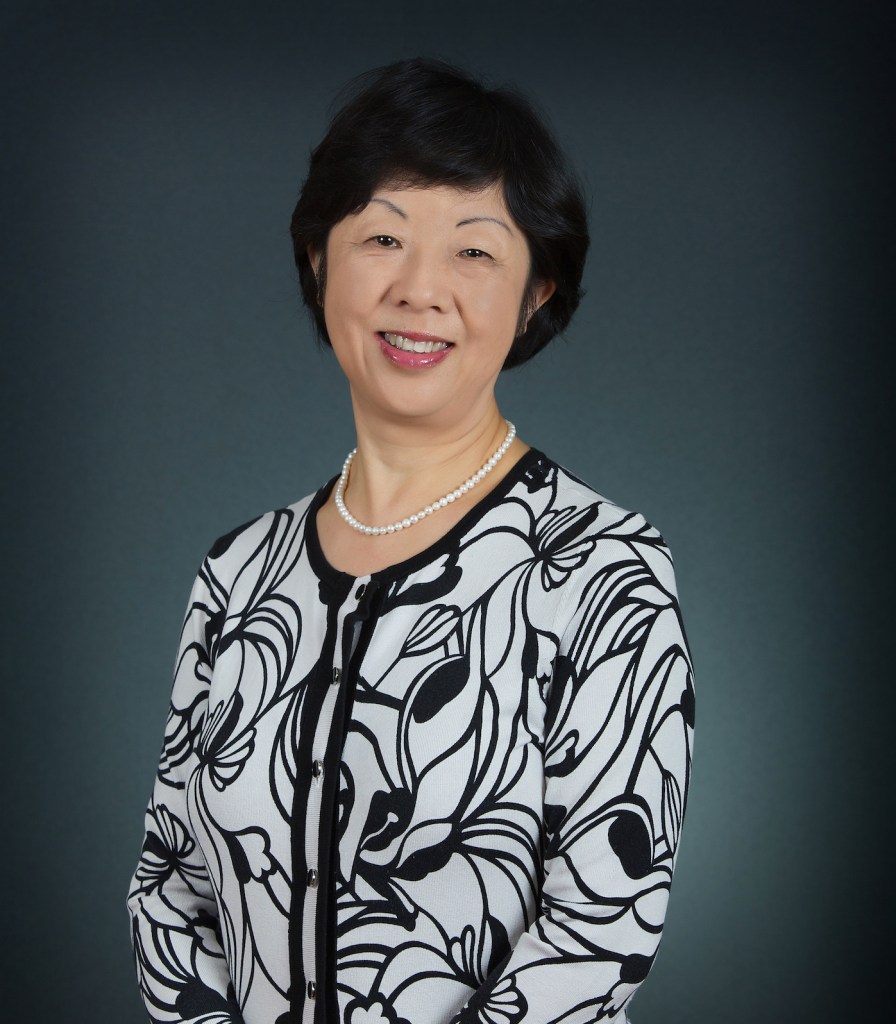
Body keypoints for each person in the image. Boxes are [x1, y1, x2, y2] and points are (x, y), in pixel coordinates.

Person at [127, 58, 695, 1024]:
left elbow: (600, 933)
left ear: (537, 290)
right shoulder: (236, 573)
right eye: (383, 237)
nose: (421, 289)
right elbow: (168, 887)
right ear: (319, 259)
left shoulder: (604, 570)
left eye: (474, 251)